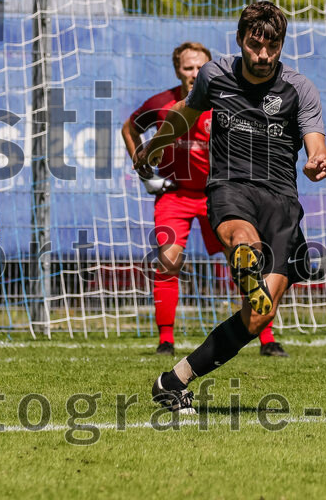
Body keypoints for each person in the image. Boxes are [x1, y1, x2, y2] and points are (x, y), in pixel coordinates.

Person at [135, 1, 326, 412]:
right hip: (230, 187)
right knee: (242, 237)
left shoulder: (300, 89)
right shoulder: (215, 75)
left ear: (281, 45)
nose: (263, 55)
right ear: (240, 39)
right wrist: (155, 145)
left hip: (282, 201)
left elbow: (315, 143)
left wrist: (317, 161)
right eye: (255, 45)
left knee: (258, 317)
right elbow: (184, 114)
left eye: (272, 47)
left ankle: (173, 380)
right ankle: (245, 257)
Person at [122, 43, 286, 358]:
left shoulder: (227, 103)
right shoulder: (161, 104)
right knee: (168, 261)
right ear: (177, 70)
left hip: (220, 195)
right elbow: (130, 128)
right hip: (175, 195)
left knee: (244, 260)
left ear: (210, 69)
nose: (194, 73)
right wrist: (143, 171)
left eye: (200, 67)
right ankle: (166, 341)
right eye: (188, 68)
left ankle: (267, 337)